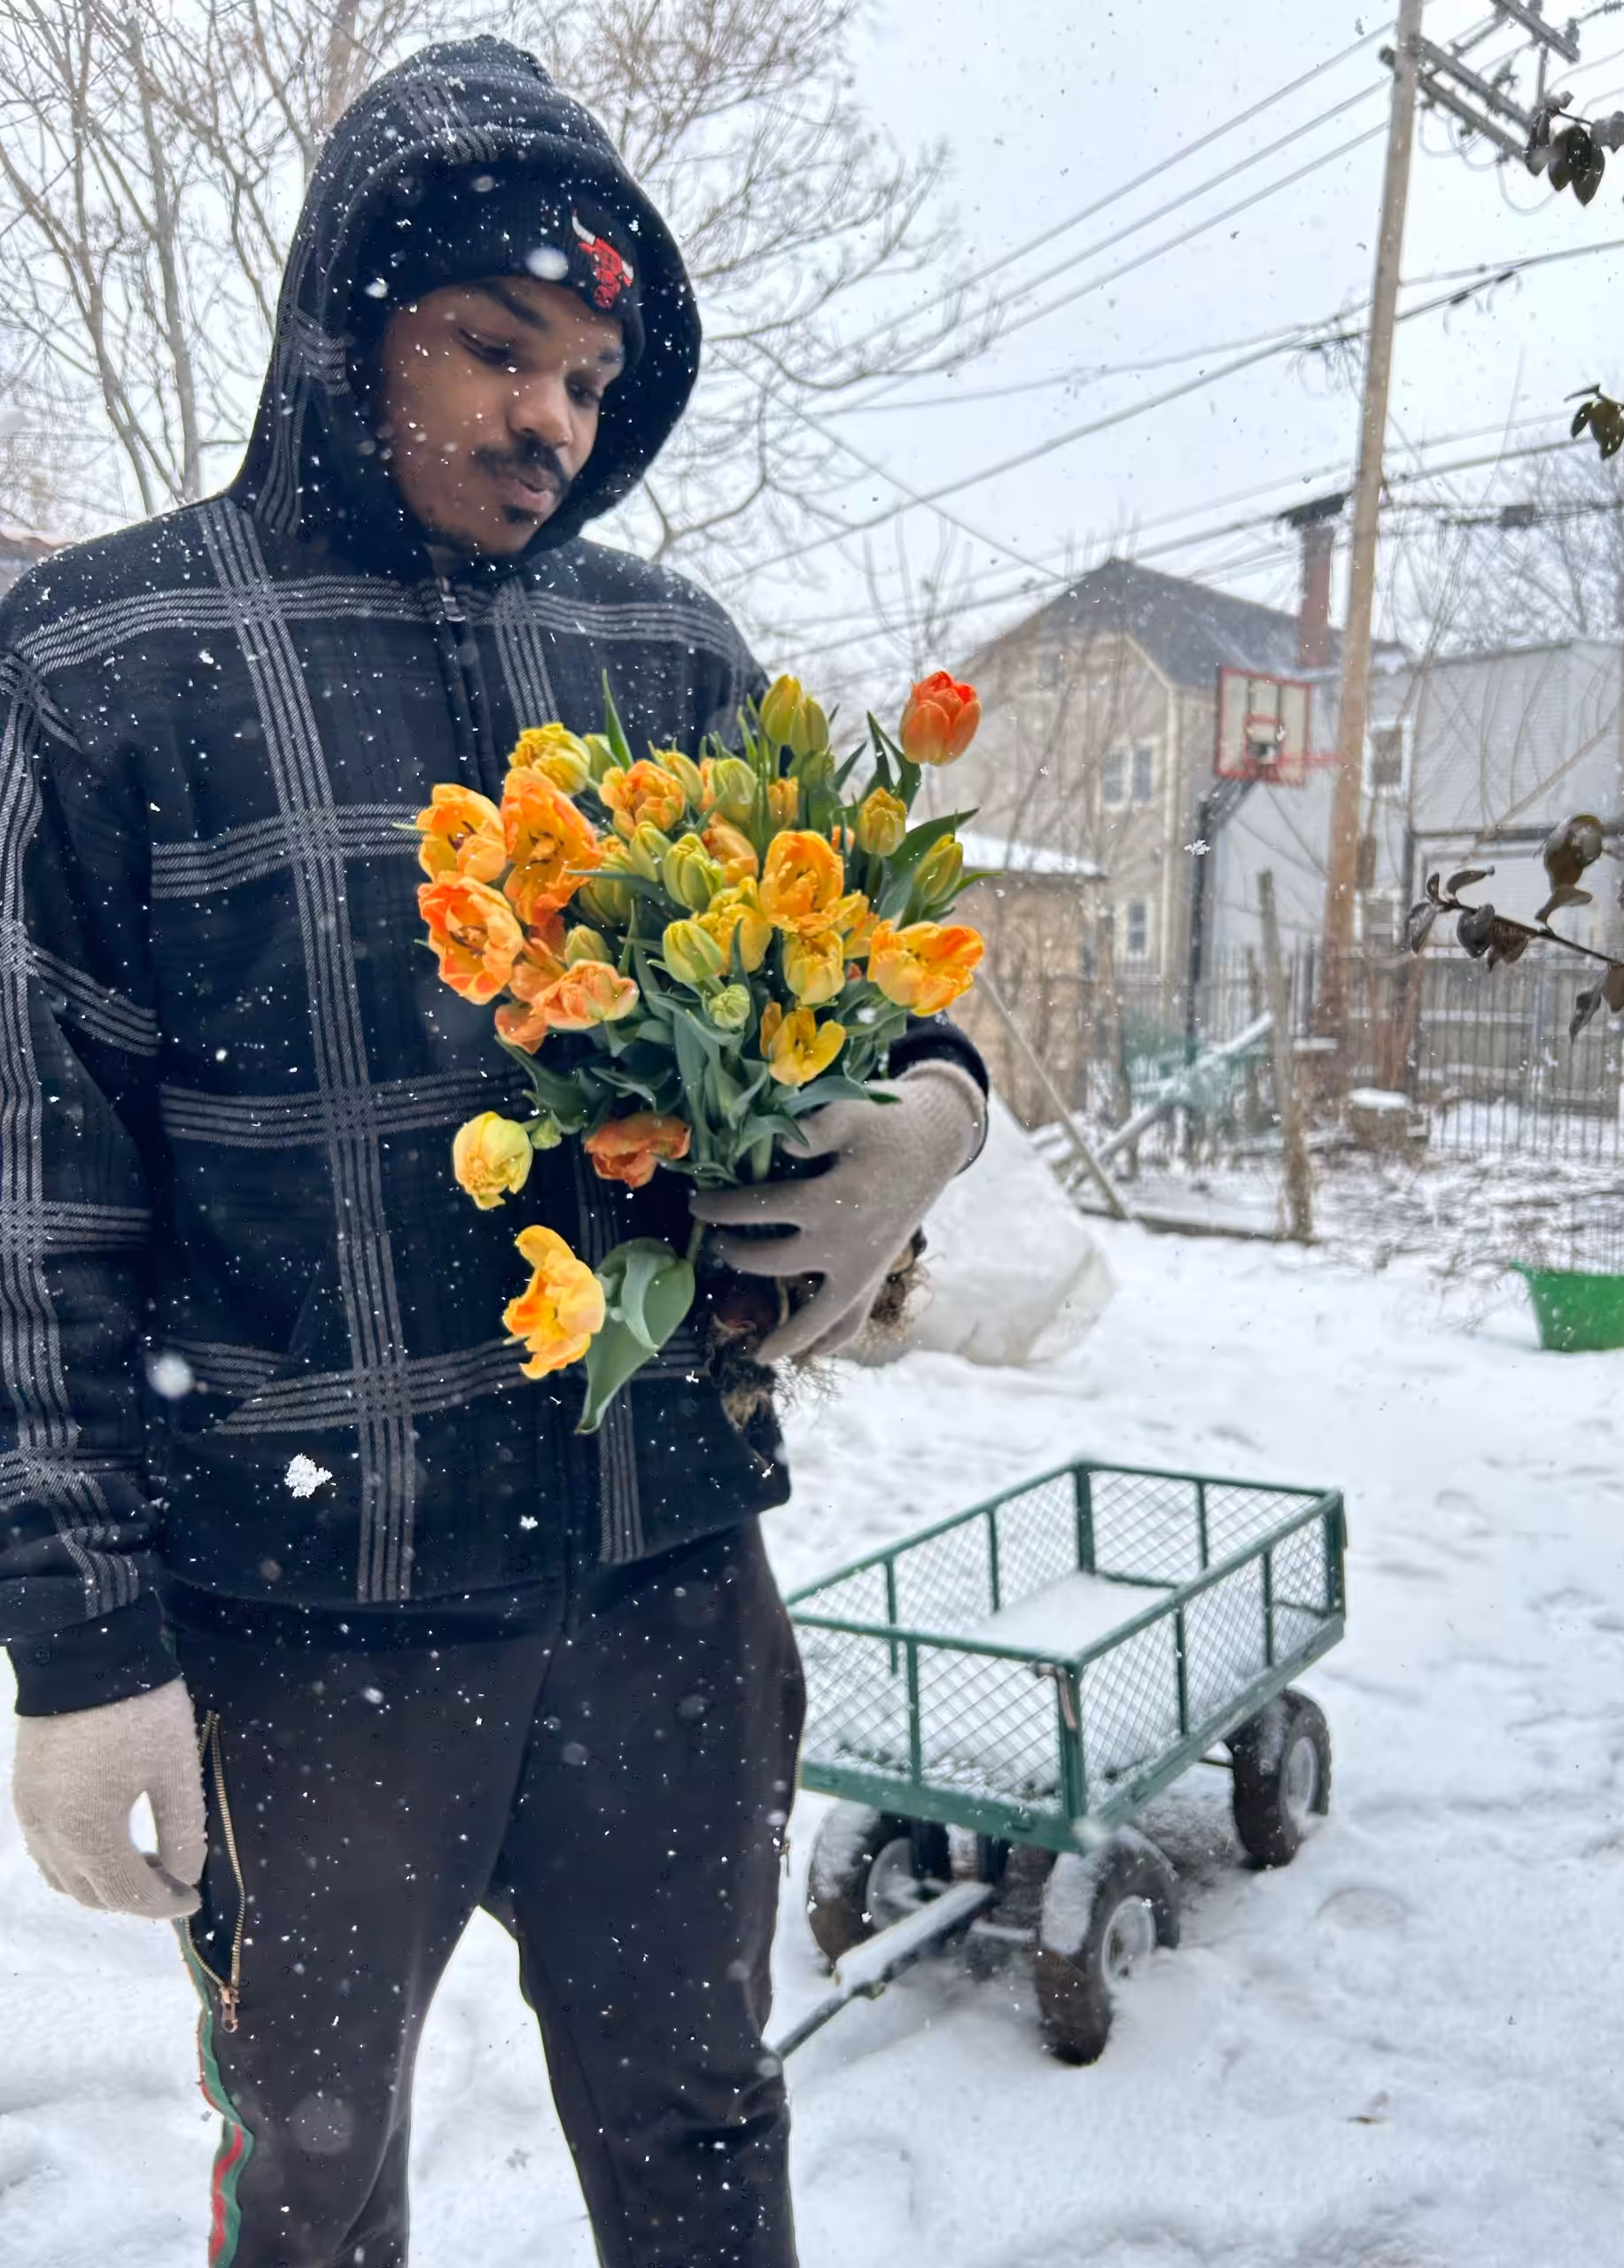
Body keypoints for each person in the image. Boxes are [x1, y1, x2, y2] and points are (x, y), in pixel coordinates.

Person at [0, 39, 987, 2268]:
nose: (552, 417)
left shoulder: (667, 655)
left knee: (706, 2119)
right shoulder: (108, 663)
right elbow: (30, 1191)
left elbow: (870, 984)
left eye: (589, 372)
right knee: (317, 2175)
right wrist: (77, 1643)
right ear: (353, 329)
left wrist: (929, 1117)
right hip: (310, 1613)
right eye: (495, 348)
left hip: (662, 1576)